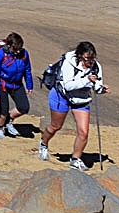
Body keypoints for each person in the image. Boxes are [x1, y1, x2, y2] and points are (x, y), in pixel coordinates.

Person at [40, 40, 105, 169]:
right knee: (55, 126)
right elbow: (68, 85)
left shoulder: (96, 67)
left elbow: (97, 85)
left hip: (81, 99)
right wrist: (87, 80)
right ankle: (43, 143)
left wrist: (101, 88)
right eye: (87, 58)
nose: (90, 61)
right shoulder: (68, 62)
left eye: (92, 58)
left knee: (83, 132)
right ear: (80, 56)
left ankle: (75, 159)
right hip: (61, 96)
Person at [0, 32, 34, 139]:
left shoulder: (24, 54)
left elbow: (27, 70)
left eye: (20, 48)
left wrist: (29, 85)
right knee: (2, 109)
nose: (18, 51)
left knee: (24, 107)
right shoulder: (0, 54)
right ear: (9, 46)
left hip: (16, 84)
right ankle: (0, 128)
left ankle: (8, 120)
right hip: (2, 84)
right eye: (15, 49)